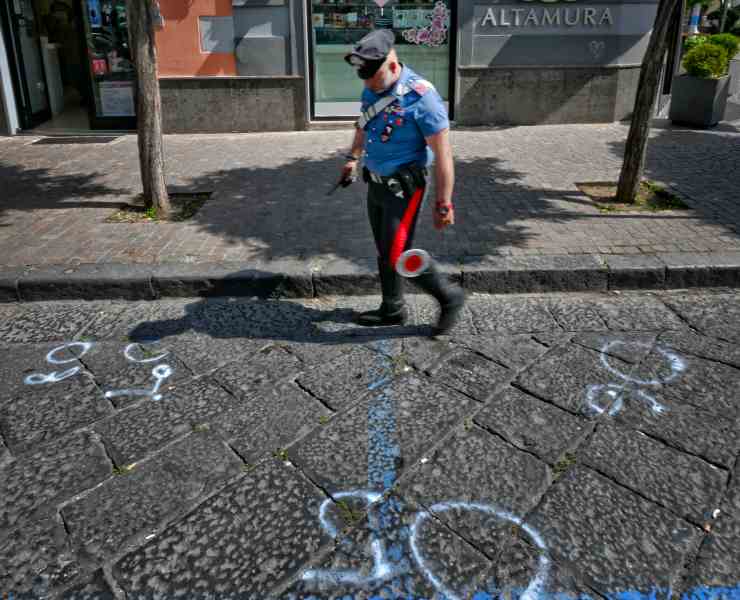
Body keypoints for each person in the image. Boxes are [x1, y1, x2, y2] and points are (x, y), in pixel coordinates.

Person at [338, 28, 464, 336]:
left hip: (404, 189)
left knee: (398, 255)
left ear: (393, 66)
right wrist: (353, 158)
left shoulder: (423, 98)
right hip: (376, 183)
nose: (369, 86)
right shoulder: (372, 86)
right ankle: (392, 309)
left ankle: (449, 296)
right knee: (384, 250)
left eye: (374, 79)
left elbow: (444, 155)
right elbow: (363, 123)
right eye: (365, 79)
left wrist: (443, 202)